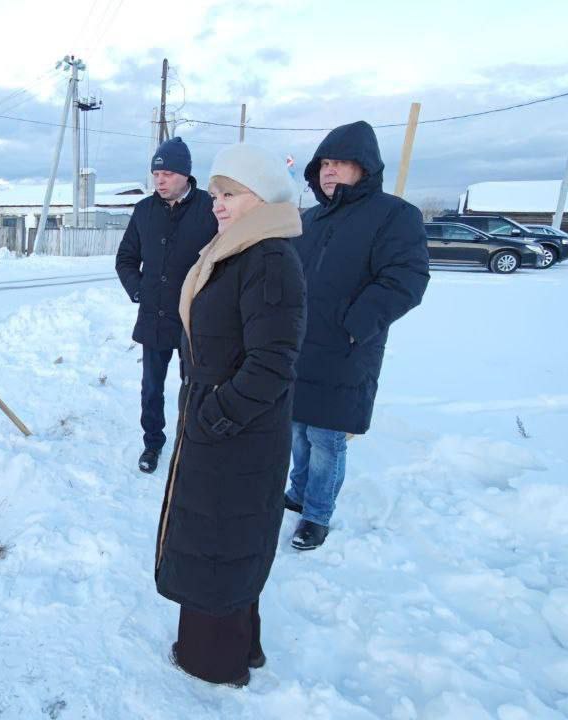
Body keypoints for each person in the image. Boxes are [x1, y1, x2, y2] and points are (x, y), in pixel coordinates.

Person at [155, 143, 306, 687]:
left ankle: (214, 662)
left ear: (261, 198)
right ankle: (239, 645)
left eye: (230, 194)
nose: (217, 204)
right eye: (216, 193)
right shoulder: (239, 249)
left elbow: (273, 361)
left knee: (221, 541)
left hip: (238, 430)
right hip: (221, 422)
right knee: (217, 538)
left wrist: (216, 415)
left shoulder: (268, 258)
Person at [286, 121, 430, 551]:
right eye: (324, 164)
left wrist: (354, 326)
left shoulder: (394, 215)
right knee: (297, 428)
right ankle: (298, 492)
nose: (329, 171)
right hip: (299, 345)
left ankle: (317, 515)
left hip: (346, 351)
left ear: (364, 168)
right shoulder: (309, 219)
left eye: (340, 163)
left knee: (326, 437)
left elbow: (406, 278)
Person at [116, 138, 219, 474]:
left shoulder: (210, 208)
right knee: (151, 388)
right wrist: (139, 291)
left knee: (196, 387)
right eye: (156, 174)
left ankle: (193, 445)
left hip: (195, 320)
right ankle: (152, 443)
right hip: (154, 317)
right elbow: (126, 258)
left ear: (186, 174)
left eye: (168, 174)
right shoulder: (144, 210)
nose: (160, 180)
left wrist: (209, 301)